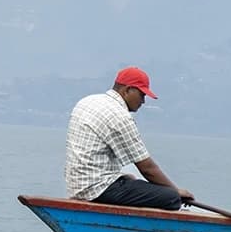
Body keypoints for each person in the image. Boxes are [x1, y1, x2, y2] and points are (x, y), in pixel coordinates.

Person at [64, 66, 193, 210]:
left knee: (131, 178)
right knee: (169, 197)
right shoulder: (120, 116)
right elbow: (147, 168)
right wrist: (176, 191)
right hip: (97, 189)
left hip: (77, 185)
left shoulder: (87, 102)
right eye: (142, 95)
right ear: (127, 90)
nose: (143, 101)